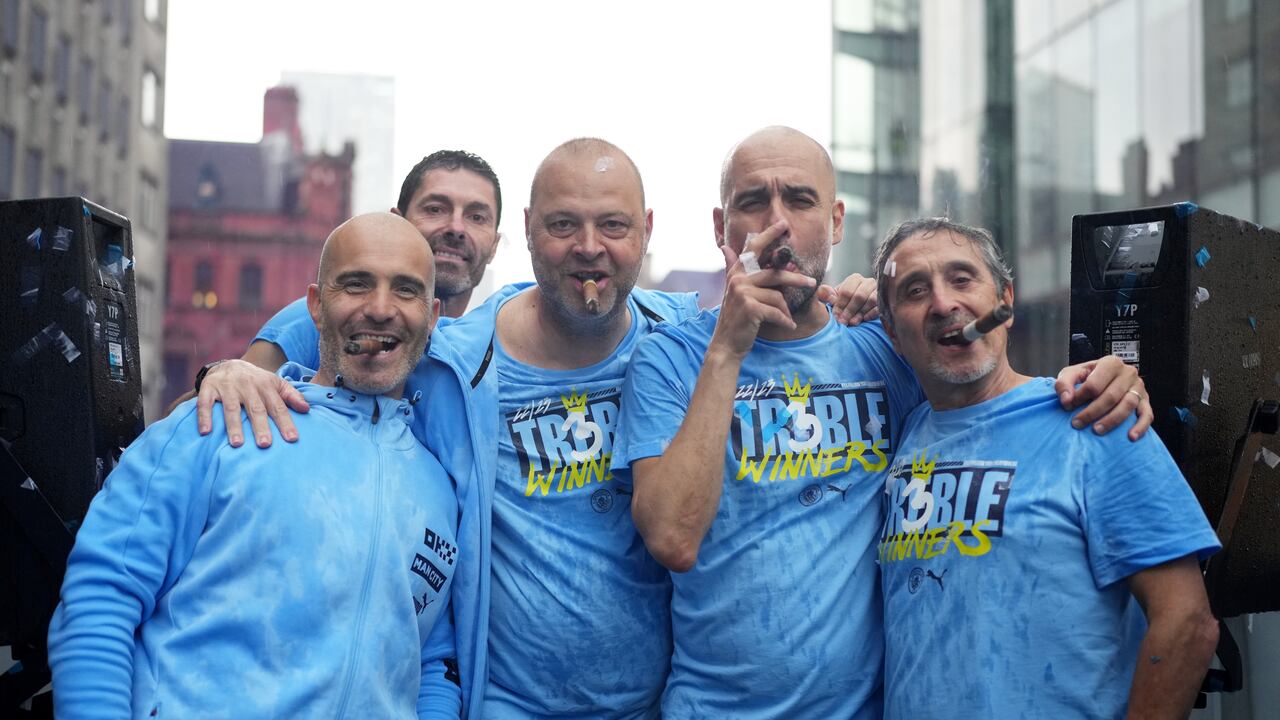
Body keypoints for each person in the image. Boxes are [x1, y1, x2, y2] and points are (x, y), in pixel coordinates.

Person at [192, 137, 882, 719]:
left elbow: (794, 334)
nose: (589, 248)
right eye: (562, 226)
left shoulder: (681, 343)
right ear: (526, 230)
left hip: (651, 703)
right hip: (506, 702)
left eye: (613, 226)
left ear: (646, 230)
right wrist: (243, 366)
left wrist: (860, 299)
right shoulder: (457, 363)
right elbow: (358, 322)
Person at [610, 126, 1153, 718]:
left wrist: (1107, 379)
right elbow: (672, 538)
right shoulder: (669, 358)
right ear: (721, 228)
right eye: (752, 202)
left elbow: (986, 376)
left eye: (800, 198)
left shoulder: (884, 349)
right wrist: (727, 350)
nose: (777, 222)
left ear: (837, 221)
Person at [47, 213, 462, 719]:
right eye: (356, 284)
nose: (380, 308)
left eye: (405, 290)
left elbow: (431, 663)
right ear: (315, 305)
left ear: (433, 314)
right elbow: (102, 594)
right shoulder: (215, 424)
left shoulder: (439, 487)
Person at [871, 217, 1219, 717]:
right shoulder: (902, 436)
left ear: (1005, 303)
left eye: (963, 279)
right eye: (914, 290)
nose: (944, 303)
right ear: (893, 335)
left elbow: (1187, 623)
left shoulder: (1094, 417)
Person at [167, 149, 504, 437]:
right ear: (396, 222)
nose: (457, 228)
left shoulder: (475, 349)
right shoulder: (321, 319)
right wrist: (223, 373)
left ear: (494, 246)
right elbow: (197, 418)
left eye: (476, 216)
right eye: (435, 209)